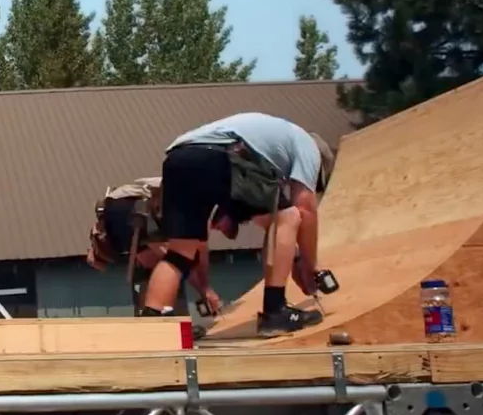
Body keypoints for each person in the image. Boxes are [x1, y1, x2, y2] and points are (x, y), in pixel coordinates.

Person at [141, 112, 336, 337]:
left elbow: (269, 226)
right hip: (220, 156)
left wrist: (293, 257)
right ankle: (275, 312)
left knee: (181, 253)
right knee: (289, 217)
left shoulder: (272, 143)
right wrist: (310, 267)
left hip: (178, 160)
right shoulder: (308, 146)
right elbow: (305, 210)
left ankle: (153, 326)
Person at [86, 176, 222, 337]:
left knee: (168, 266)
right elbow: (183, 258)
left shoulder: (191, 209)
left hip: (129, 214)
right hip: (128, 218)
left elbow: (198, 254)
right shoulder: (151, 215)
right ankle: (157, 325)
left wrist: (205, 288)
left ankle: (167, 323)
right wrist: (204, 289)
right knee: (164, 267)